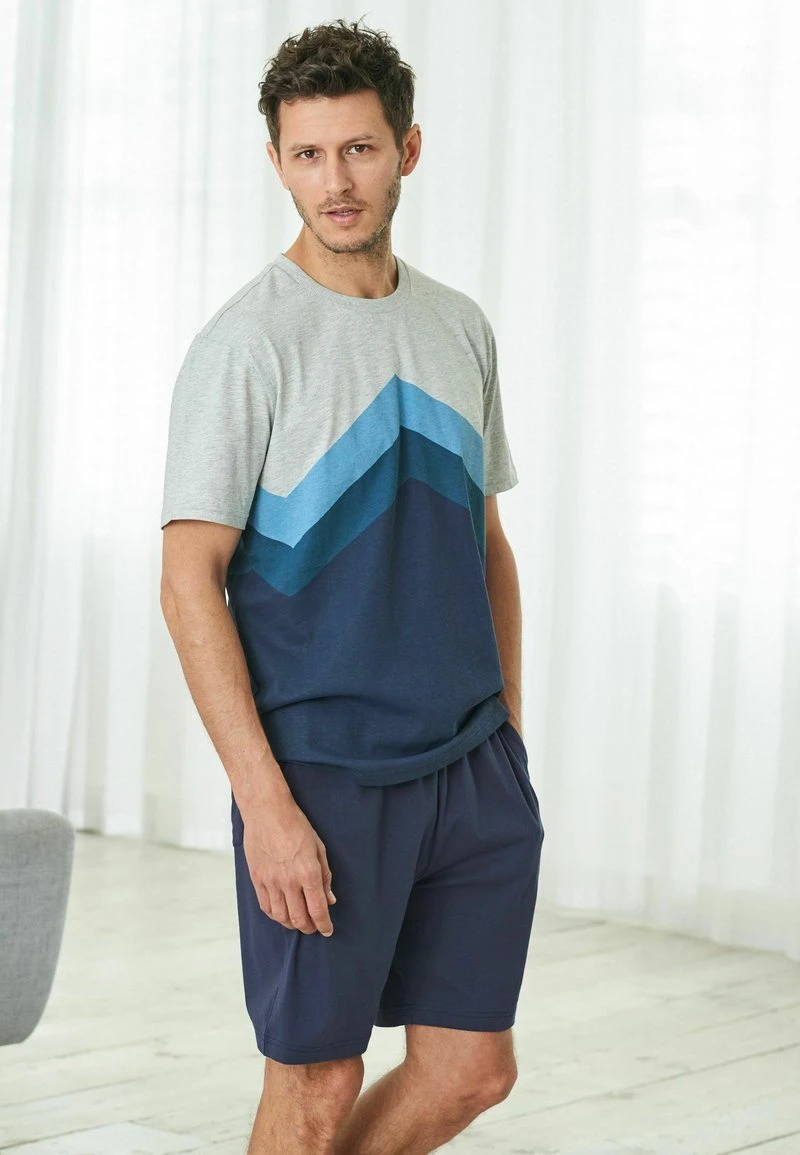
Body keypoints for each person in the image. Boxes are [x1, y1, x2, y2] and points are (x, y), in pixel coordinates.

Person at [159, 16, 544, 1155]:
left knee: (472, 1070)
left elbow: (484, 544)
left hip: (470, 765)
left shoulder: (458, 326)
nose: (335, 181)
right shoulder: (246, 345)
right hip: (323, 774)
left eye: (360, 149)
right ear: (277, 161)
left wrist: (509, 734)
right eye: (309, 154)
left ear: (406, 150)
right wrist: (266, 806)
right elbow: (188, 581)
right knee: (317, 1082)